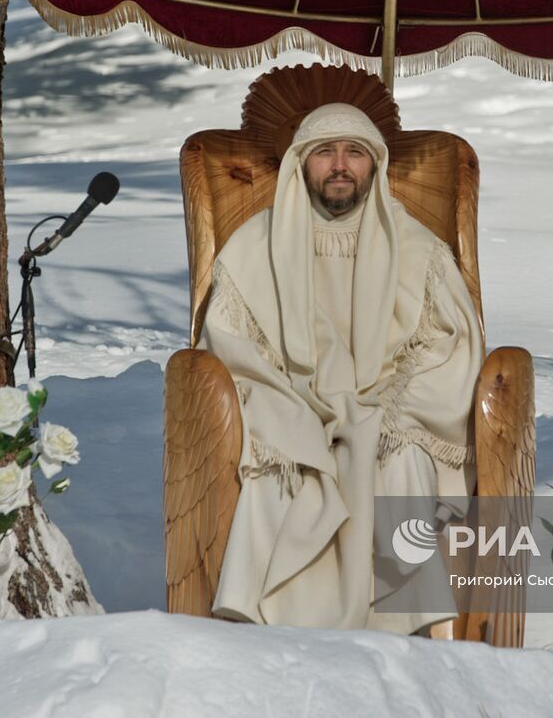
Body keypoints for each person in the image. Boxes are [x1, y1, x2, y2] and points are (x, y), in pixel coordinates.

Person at [199, 102, 483, 634]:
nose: (339, 165)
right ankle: (270, 634)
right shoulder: (252, 248)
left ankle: (410, 636)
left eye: (354, 152)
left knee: (403, 462)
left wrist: (391, 409)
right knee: (278, 468)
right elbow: (229, 346)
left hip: (386, 413)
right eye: (324, 152)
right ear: (300, 164)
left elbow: (453, 345)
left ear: (374, 165)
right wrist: (295, 411)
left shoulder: (420, 250)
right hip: (289, 405)